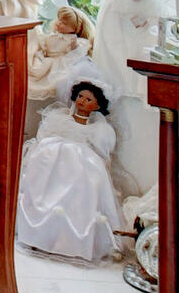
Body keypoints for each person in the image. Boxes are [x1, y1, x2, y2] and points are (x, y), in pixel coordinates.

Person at [15, 79, 122, 262]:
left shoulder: (98, 130)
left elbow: (101, 151)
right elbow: (46, 134)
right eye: (80, 96)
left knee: (83, 186)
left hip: (81, 162)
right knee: (45, 165)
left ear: (97, 106)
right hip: (54, 158)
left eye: (89, 100)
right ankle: (36, 233)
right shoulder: (60, 118)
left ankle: (69, 241)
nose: (82, 101)